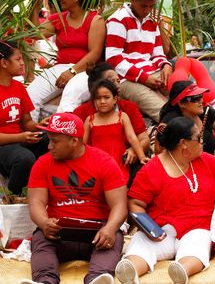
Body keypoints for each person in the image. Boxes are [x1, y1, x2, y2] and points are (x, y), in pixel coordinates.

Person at [114, 117, 215, 284]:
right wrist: (152, 231)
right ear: (184, 143)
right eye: (198, 138)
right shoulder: (151, 169)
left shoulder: (204, 159)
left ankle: (182, 270)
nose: (202, 142)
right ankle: (130, 270)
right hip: (163, 231)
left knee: (198, 246)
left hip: (198, 227)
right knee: (141, 242)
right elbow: (135, 204)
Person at [20, 112, 127, 284]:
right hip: (58, 232)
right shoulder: (42, 163)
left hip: (97, 231)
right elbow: (36, 202)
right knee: (41, 239)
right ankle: (45, 281)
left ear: (74, 141)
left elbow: (120, 205)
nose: (49, 146)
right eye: (49, 140)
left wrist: (110, 228)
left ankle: (97, 279)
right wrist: (44, 223)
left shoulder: (104, 161)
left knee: (113, 238)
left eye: (55, 141)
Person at [27, 0, 106, 121]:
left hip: (86, 70)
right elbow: (35, 34)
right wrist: (36, 6)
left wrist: (72, 71)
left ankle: (63, 136)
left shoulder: (95, 20)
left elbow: (95, 53)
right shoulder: (58, 18)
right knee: (30, 95)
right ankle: (32, 136)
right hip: (61, 68)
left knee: (70, 96)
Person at [105, 0, 173, 123]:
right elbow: (113, 59)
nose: (147, 10)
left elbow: (158, 53)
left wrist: (165, 65)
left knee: (185, 94)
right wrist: (143, 78)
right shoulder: (118, 20)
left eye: (151, 6)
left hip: (151, 73)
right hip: (124, 79)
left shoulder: (151, 21)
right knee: (163, 110)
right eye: (143, 6)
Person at [73, 62, 150, 167]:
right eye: (111, 81)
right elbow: (81, 144)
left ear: (114, 99)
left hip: (124, 160)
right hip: (95, 163)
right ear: (95, 87)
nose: (117, 84)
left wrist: (134, 150)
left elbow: (143, 139)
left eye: (118, 80)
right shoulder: (81, 113)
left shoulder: (128, 109)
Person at [0, 41, 48, 195]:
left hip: (20, 140)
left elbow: (27, 122)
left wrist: (41, 126)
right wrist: (20, 137)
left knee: (54, 139)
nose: (22, 63)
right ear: (4, 63)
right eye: (18, 59)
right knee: (25, 158)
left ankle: (45, 190)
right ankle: (14, 196)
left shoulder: (19, 87)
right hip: (4, 146)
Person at [83, 79, 149, 182]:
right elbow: (83, 144)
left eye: (106, 97)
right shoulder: (89, 120)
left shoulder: (122, 116)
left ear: (115, 99)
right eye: (98, 98)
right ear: (94, 101)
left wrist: (141, 157)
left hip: (118, 163)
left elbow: (132, 138)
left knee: (120, 186)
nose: (102, 101)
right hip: (97, 164)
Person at [159, 80, 215, 162]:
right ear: (181, 103)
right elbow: (160, 153)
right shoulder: (171, 122)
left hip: (210, 165)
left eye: (200, 95)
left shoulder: (207, 112)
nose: (200, 101)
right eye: (195, 98)